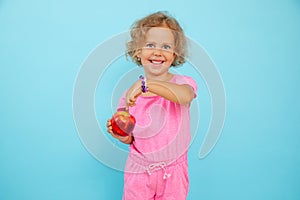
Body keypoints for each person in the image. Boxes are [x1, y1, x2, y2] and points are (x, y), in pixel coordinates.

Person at [106, 11, 198, 200]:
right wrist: (120, 134)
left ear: (174, 54)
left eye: (166, 46)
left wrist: (147, 85)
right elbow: (131, 139)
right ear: (138, 52)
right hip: (139, 172)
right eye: (150, 45)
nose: (158, 52)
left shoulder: (183, 83)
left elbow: (185, 97)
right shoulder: (129, 96)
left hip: (174, 173)